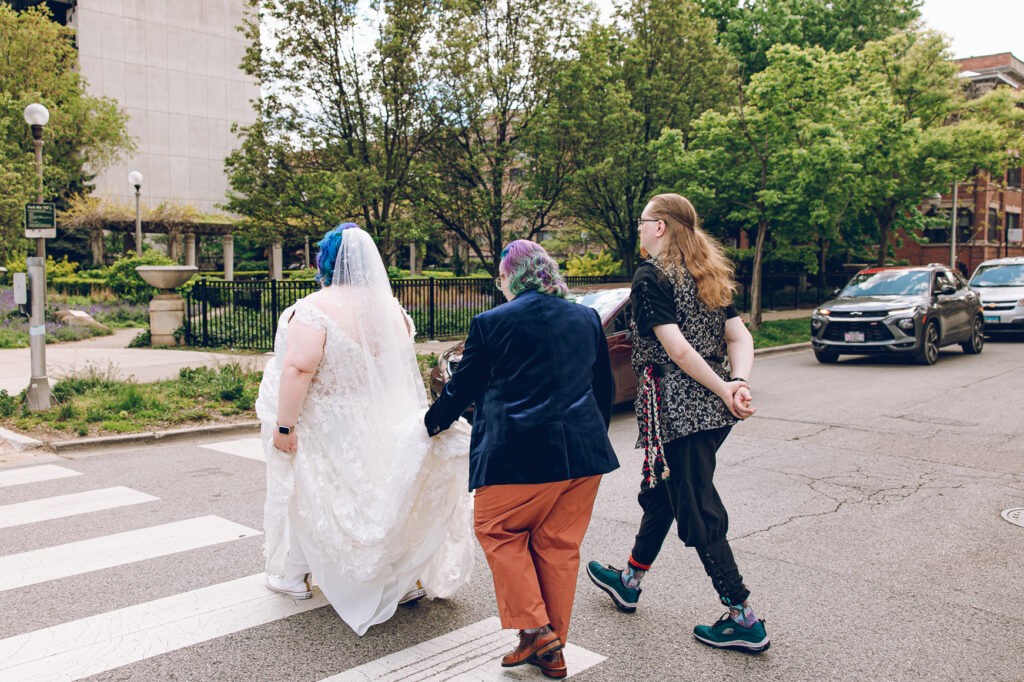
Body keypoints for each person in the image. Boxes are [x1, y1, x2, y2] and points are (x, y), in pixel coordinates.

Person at [255, 223, 474, 636]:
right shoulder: (391, 310)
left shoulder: (314, 309)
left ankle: (296, 575)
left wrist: (284, 425)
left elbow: (299, 368)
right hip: (381, 420)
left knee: (310, 493)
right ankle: (402, 579)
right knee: (385, 497)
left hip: (330, 423)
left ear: (327, 260)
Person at [424, 240, 620, 678]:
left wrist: (431, 423)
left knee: (496, 530)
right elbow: (601, 389)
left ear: (512, 276)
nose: (501, 286)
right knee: (558, 547)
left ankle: (536, 630)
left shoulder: (490, 322)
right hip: (585, 456)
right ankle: (551, 649)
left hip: (519, 454)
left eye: (500, 278)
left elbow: (463, 388)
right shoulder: (585, 317)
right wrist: (592, 440)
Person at [586, 193, 770, 653]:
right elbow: (739, 336)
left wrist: (729, 387)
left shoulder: (650, 275)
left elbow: (678, 350)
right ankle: (630, 579)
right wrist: (735, 383)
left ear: (662, 227)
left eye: (644, 222)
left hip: (678, 405)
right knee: (668, 492)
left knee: (696, 504)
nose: (640, 229)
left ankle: (742, 617)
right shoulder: (704, 272)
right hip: (709, 406)